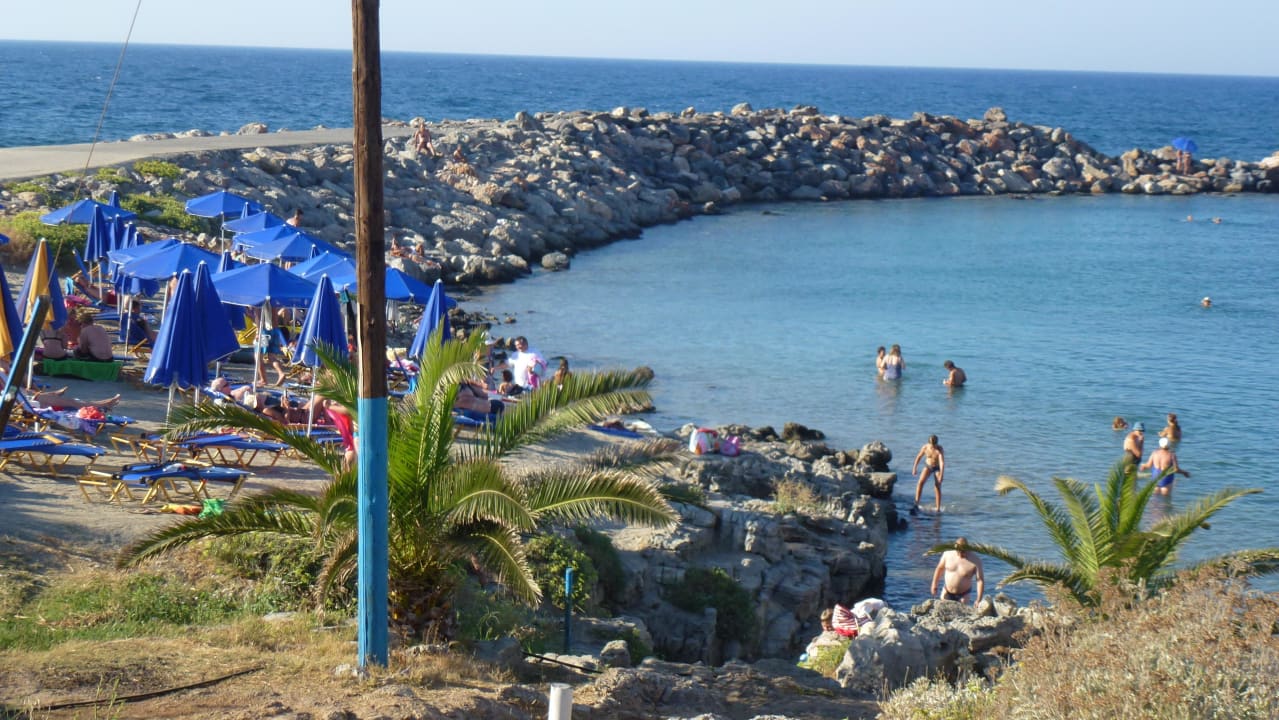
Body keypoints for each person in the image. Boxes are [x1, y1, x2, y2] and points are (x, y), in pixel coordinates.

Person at [930, 537, 985, 604]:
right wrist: (934, 584)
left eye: (963, 552)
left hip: (964, 594)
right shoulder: (947, 554)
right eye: (958, 552)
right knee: (942, 611)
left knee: (961, 613)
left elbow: (980, 580)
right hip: (947, 590)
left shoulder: (975, 560)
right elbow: (940, 568)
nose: (960, 554)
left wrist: (978, 599)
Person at [910, 434, 945, 514]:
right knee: (920, 482)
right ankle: (916, 503)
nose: (933, 447)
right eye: (932, 445)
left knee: (937, 486)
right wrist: (914, 468)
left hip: (937, 468)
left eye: (934, 445)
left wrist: (941, 475)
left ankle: (938, 508)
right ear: (929, 443)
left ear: (937, 444)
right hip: (928, 466)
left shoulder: (939, 449)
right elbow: (918, 457)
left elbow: (942, 462)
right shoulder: (925, 447)